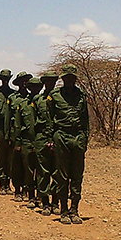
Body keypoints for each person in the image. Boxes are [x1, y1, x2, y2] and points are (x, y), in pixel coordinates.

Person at [50, 64, 89, 224]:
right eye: (67, 78)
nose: (70, 81)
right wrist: (50, 139)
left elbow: (85, 119)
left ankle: (74, 210)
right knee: (62, 175)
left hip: (77, 137)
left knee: (77, 175)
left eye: (72, 78)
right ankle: (64, 210)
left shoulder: (81, 96)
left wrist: (85, 139)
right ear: (63, 79)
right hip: (61, 136)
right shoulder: (55, 96)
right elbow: (49, 119)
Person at [34, 71, 60, 215]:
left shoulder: (61, 98)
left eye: (53, 81)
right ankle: (45, 202)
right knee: (43, 171)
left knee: (57, 171)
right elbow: (33, 121)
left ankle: (55, 201)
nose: (50, 83)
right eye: (48, 81)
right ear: (44, 83)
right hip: (41, 137)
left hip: (57, 137)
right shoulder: (38, 100)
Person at [16, 76, 41, 209]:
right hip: (26, 141)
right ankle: (31, 196)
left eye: (37, 87)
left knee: (42, 171)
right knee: (29, 170)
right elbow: (18, 124)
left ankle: (41, 197)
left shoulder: (45, 103)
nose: (35, 89)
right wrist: (18, 142)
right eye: (32, 87)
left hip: (41, 141)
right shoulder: (23, 104)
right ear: (29, 88)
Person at [7, 71, 32, 202]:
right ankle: (17, 189)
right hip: (15, 135)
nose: (24, 83)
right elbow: (8, 119)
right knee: (16, 164)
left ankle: (27, 190)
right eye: (22, 81)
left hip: (28, 136)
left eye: (26, 81)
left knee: (28, 164)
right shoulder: (12, 98)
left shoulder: (32, 98)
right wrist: (8, 136)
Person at [0, 69, 15, 195]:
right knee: (0, 156)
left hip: (11, 129)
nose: (5, 81)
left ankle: (8, 184)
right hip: (0, 129)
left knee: (10, 157)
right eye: (3, 78)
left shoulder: (13, 94)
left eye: (7, 78)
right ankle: (1, 183)